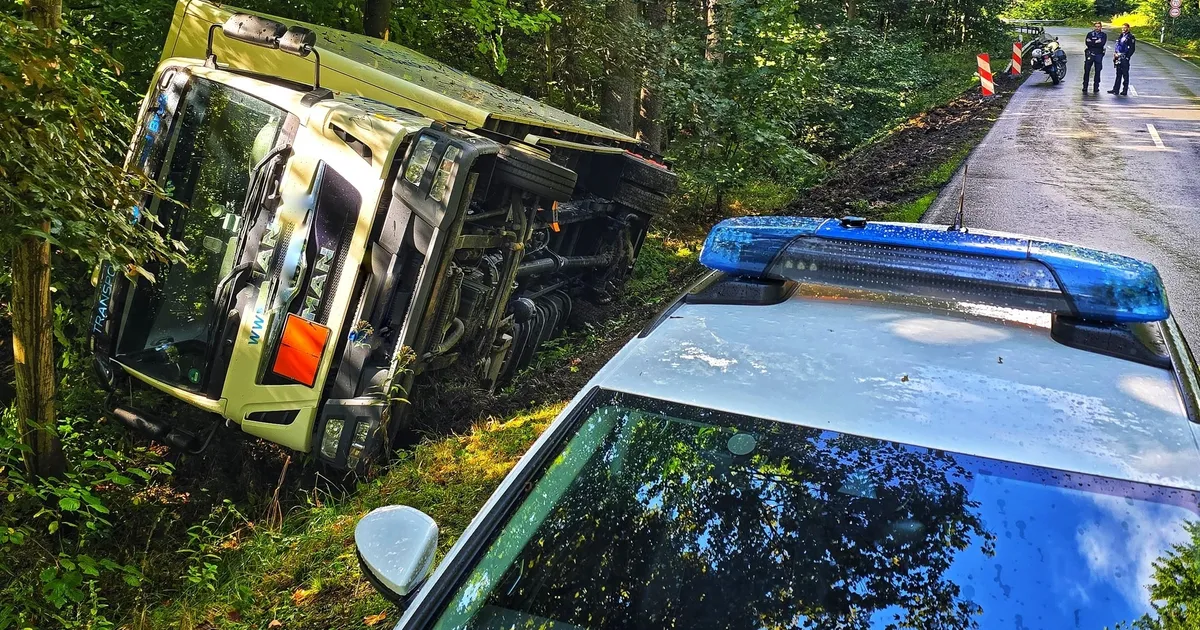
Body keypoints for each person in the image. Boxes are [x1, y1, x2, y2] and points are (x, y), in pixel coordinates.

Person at [1109, 23, 1136, 95]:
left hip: (1124, 57)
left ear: (1128, 28)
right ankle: (1116, 89)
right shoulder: (1121, 36)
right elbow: (1117, 46)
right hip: (1118, 56)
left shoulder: (1130, 37)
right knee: (1118, 74)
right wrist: (1115, 54)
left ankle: (1124, 90)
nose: (1123, 29)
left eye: (1125, 28)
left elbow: (1132, 49)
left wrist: (1127, 57)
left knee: (1125, 74)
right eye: (1122, 28)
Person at [1083, 21, 1107, 94]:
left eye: (1098, 26)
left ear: (1101, 27)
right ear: (1094, 27)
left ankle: (1096, 87)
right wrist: (1096, 42)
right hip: (1090, 53)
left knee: (1098, 71)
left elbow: (1102, 43)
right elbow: (1087, 43)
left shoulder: (1103, 35)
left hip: (1098, 54)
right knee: (1087, 71)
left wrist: (1092, 42)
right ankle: (1085, 86)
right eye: (1096, 26)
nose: (1097, 28)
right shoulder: (1090, 34)